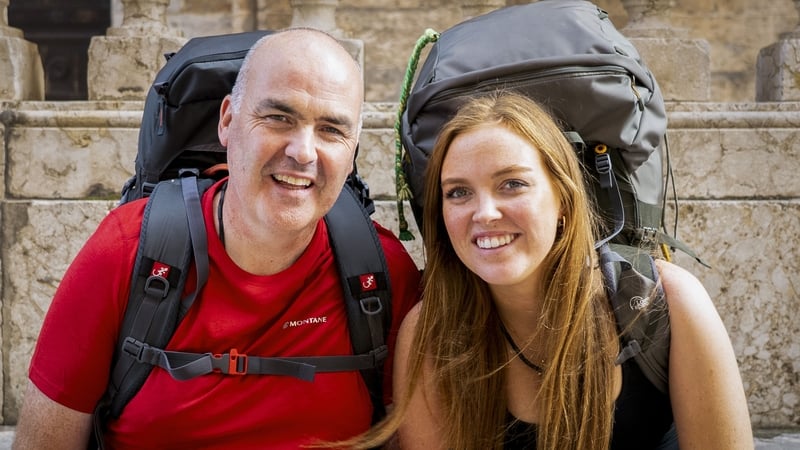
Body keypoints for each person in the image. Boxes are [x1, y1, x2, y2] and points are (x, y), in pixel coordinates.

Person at [13, 28, 421, 449]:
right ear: (227, 120)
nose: (303, 152)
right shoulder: (124, 252)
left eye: (331, 130)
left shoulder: (379, 272)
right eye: (279, 117)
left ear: (352, 151)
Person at [342, 92, 754, 450]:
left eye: (512, 184)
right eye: (459, 192)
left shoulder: (666, 303)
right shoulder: (429, 332)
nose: (484, 213)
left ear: (563, 201)